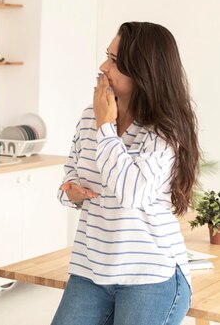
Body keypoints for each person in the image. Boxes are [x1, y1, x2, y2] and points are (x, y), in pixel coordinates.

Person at [51, 22, 200, 325]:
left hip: (150, 275)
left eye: (115, 62)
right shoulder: (88, 116)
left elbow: (132, 193)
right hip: (91, 268)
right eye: (107, 56)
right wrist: (71, 192)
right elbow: (69, 176)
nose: (103, 67)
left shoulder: (164, 131)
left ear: (144, 71)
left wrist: (106, 127)